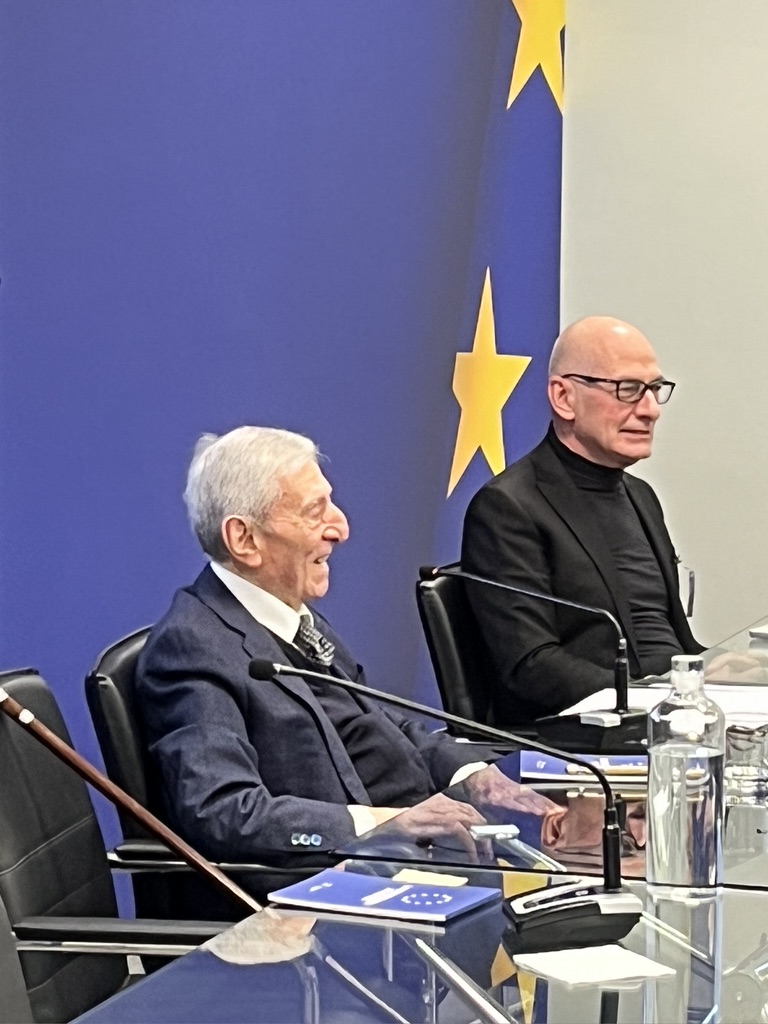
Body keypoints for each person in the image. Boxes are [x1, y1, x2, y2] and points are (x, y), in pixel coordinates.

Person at [135, 426, 553, 876]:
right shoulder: (192, 648)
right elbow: (224, 813)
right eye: (314, 512)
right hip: (320, 892)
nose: (341, 528)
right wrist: (379, 825)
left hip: (423, 856)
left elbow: (381, 723)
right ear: (244, 539)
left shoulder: (293, 617)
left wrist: (472, 777)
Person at [461, 315, 703, 725]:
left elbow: (670, 640)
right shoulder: (508, 507)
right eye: (628, 389)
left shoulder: (641, 496)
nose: (650, 410)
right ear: (564, 397)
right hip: (589, 734)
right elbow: (532, 666)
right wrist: (651, 702)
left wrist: (723, 675)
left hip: (674, 717)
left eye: (654, 389)